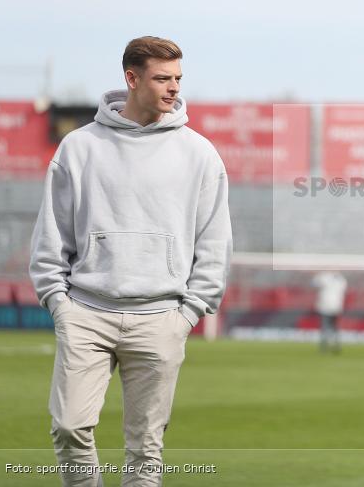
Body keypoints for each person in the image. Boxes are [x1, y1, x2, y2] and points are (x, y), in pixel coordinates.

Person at [29, 36, 232, 486]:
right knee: (68, 427)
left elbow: (215, 244)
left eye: (178, 78)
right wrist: (60, 305)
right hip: (85, 312)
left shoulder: (199, 153)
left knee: (146, 447)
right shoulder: (79, 148)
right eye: (163, 78)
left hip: (161, 316)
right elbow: (51, 235)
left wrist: (188, 314)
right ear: (132, 78)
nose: (174, 88)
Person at [313, 270, 348, 353]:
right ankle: (333, 345)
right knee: (332, 327)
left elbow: (315, 283)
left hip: (329, 306)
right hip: (332, 306)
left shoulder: (326, 278)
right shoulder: (341, 280)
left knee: (327, 327)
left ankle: (327, 345)